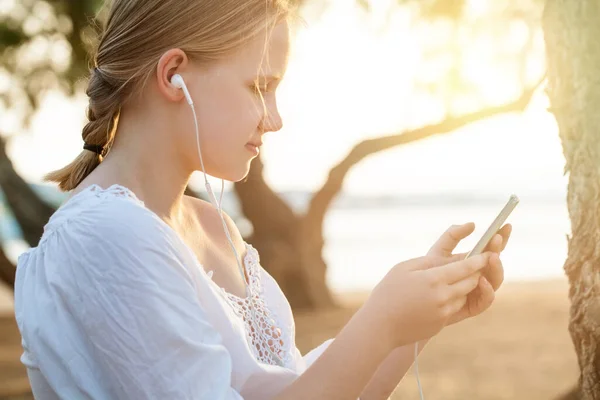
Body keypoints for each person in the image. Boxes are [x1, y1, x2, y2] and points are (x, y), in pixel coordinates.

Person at [13, 1, 512, 399]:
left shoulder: (214, 227)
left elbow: (300, 389)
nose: (274, 119)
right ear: (173, 76)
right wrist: (380, 323)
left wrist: (417, 319)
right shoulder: (104, 236)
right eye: (260, 86)